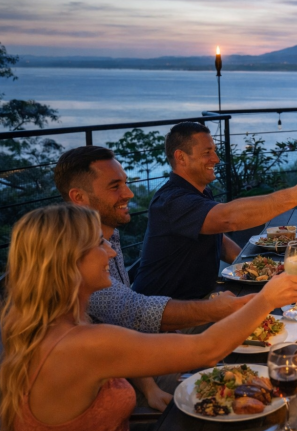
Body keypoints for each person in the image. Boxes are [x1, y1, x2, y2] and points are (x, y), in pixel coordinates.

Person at [0, 204, 297, 430]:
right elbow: (206, 350)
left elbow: (121, 356)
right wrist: (267, 297)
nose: (111, 252)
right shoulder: (79, 343)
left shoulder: (56, 328)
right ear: (67, 263)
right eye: (98, 243)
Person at [53, 145, 252, 410]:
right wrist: (222, 309)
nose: (129, 193)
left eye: (125, 183)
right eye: (115, 186)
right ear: (78, 197)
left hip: (133, 364)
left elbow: (122, 326)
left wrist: (149, 388)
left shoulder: (106, 234)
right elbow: (131, 311)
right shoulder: (77, 258)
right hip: (110, 392)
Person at [132, 122, 297, 299]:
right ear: (181, 157)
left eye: (214, 151)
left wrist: (255, 267)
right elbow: (228, 218)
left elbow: (218, 238)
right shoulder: (172, 201)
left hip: (201, 298)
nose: (216, 159)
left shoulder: (199, 193)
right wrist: (295, 195)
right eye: (207, 153)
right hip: (166, 315)